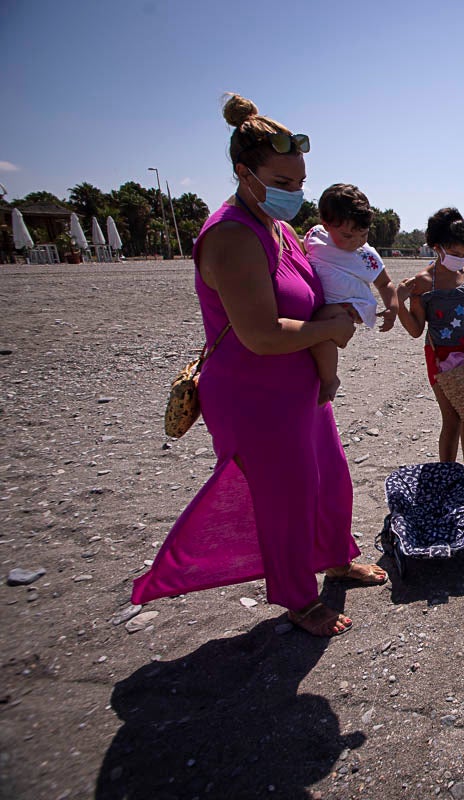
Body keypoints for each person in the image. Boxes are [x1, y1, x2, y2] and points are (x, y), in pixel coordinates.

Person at [131, 93, 385, 638]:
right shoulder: (230, 236)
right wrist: (331, 330)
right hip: (255, 391)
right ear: (244, 173)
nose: (296, 194)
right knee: (285, 497)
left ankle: (336, 558)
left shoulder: (280, 227)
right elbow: (262, 334)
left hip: (302, 385)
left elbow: (317, 285)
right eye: (284, 183)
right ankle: (298, 597)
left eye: (300, 183)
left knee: (330, 480)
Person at [394, 207, 464, 499]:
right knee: (451, 420)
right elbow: (416, 329)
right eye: (453, 252)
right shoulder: (423, 282)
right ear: (437, 248)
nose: (460, 258)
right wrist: (400, 303)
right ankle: (446, 480)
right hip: (440, 358)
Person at [304, 183, 402, 403]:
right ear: (326, 224)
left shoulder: (365, 255)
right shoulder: (315, 237)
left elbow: (385, 283)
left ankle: (329, 379)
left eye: (363, 234)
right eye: (348, 236)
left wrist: (392, 308)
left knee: (321, 326)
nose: (356, 242)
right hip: (327, 298)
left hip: (351, 303)